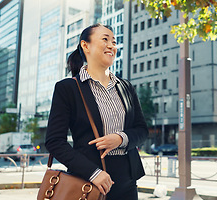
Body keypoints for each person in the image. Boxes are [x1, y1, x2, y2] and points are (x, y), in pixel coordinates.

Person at [45, 23, 148, 199]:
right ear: (86, 46)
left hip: (128, 183)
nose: (111, 46)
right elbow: (55, 141)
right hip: (89, 183)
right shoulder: (68, 88)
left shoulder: (126, 87)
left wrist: (120, 138)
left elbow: (142, 130)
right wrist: (93, 173)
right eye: (105, 39)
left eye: (114, 42)